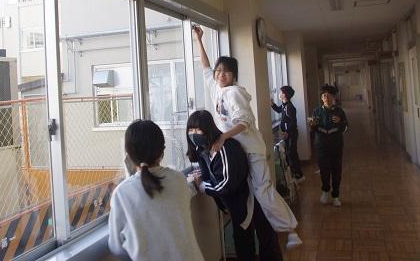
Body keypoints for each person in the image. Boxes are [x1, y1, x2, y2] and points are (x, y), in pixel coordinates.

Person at [193, 26, 302, 250]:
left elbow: (245, 122)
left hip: (251, 150)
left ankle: (291, 231)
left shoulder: (233, 93)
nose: (220, 74)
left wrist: (223, 137)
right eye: (219, 71)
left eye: (226, 72)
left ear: (234, 75)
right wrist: (199, 40)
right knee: (251, 194)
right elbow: (205, 67)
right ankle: (278, 230)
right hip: (239, 152)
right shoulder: (217, 90)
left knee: (262, 190)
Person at [186, 110, 282, 261]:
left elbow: (226, 184)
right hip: (237, 204)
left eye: (198, 130)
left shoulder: (226, 148)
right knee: (243, 244)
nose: (194, 134)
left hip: (252, 199)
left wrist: (203, 186)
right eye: (190, 130)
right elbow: (208, 176)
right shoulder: (203, 150)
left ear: (208, 128)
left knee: (265, 240)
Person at [108, 120, 204, 261]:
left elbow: (116, 246)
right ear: (162, 152)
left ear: (128, 155)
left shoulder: (122, 194)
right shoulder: (178, 178)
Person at [308, 85, 349, 206]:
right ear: (321, 98)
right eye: (324, 95)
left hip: (336, 144)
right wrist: (313, 125)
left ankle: (336, 195)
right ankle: (325, 190)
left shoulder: (339, 111)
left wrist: (340, 122)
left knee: (336, 170)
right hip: (321, 145)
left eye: (329, 95)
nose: (326, 98)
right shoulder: (317, 111)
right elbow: (314, 129)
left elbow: (346, 127)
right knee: (324, 170)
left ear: (333, 97)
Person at [271, 85, 305, 182]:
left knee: (292, 154)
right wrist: (272, 104)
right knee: (289, 153)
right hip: (288, 134)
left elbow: (293, 122)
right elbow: (279, 110)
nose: (279, 94)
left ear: (285, 94)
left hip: (291, 134)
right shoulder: (284, 105)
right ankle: (295, 174)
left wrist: (287, 132)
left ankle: (299, 175)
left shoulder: (289, 107)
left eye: (281, 92)